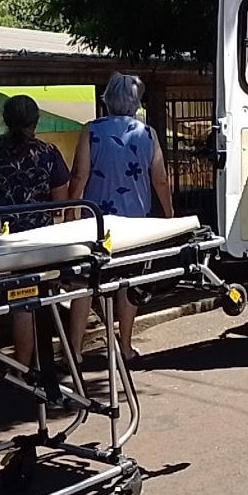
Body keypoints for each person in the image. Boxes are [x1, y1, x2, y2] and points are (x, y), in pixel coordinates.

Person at [67, 73, 173, 363]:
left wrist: (70, 212)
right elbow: (160, 179)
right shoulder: (148, 133)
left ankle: (74, 351)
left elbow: (79, 175)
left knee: (85, 283)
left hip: (95, 221)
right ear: (136, 102)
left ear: (107, 100)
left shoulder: (91, 130)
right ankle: (125, 347)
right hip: (135, 221)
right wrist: (169, 213)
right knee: (129, 282)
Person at [0, 95, 72, 368]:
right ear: (36, 121)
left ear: (5, 119)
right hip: (29, 239)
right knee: (25, 301)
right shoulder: (48, 153)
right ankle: (23, 369)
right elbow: (61, 201)